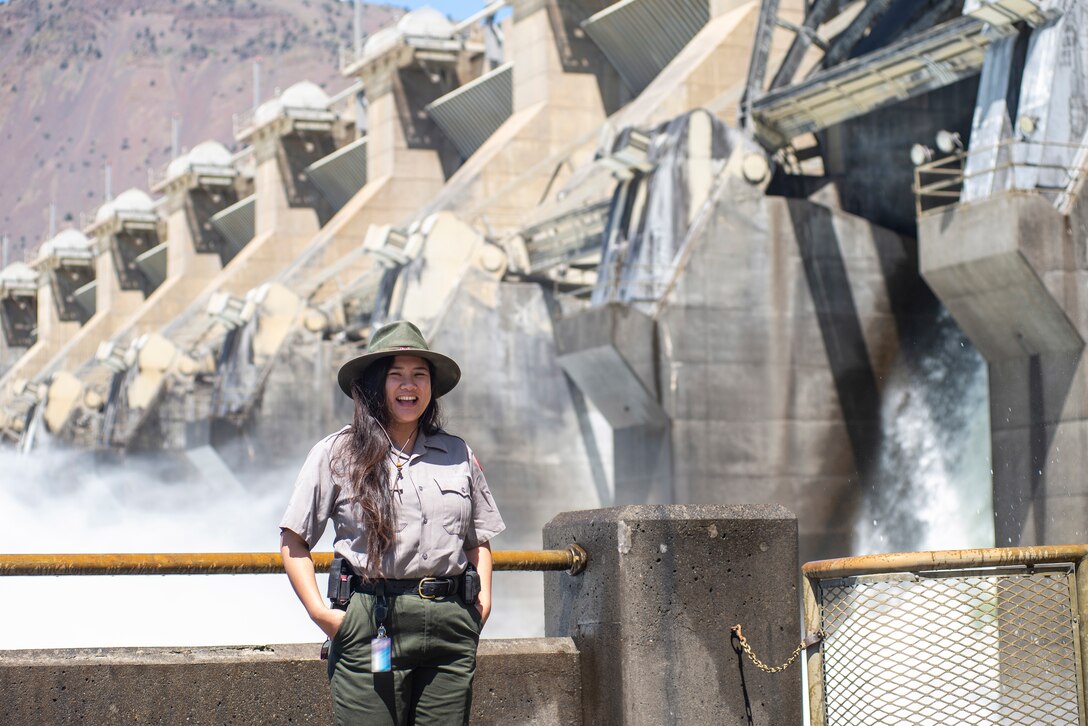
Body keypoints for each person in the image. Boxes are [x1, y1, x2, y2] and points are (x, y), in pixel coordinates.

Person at [279, 320, 505, 725]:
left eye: (419, 375)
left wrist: (482, 605)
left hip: (449, 625)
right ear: (373, 384)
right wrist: (321, 614)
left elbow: (478, 539)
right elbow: (294, 540)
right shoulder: (337, 453)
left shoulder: (457, 453)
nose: (409, 385)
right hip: (373, 622)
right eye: (396, 374)